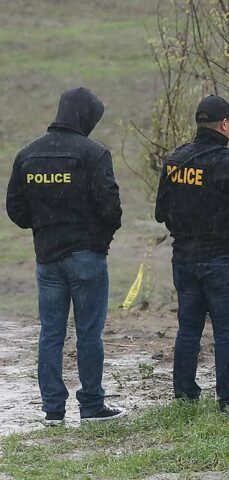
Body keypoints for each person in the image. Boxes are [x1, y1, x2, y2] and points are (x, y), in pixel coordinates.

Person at [6, 87, 125, 425]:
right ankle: (91, 406)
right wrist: (99, 238)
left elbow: (15, 209)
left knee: (51, 333)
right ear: (84, 116)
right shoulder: (94, 154)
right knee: (89, 333)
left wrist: (44, 228)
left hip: (47, 258)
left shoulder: (28, 154)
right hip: (87, 257)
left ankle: (53, 409)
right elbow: (111, 209)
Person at [155, 95, 229, 411]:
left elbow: (160, 212)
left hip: (183, 259)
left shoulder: (175, 161)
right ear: (224, 125)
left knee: (189, 329)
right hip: (221, 259)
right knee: (225, 332)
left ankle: (184, 395)